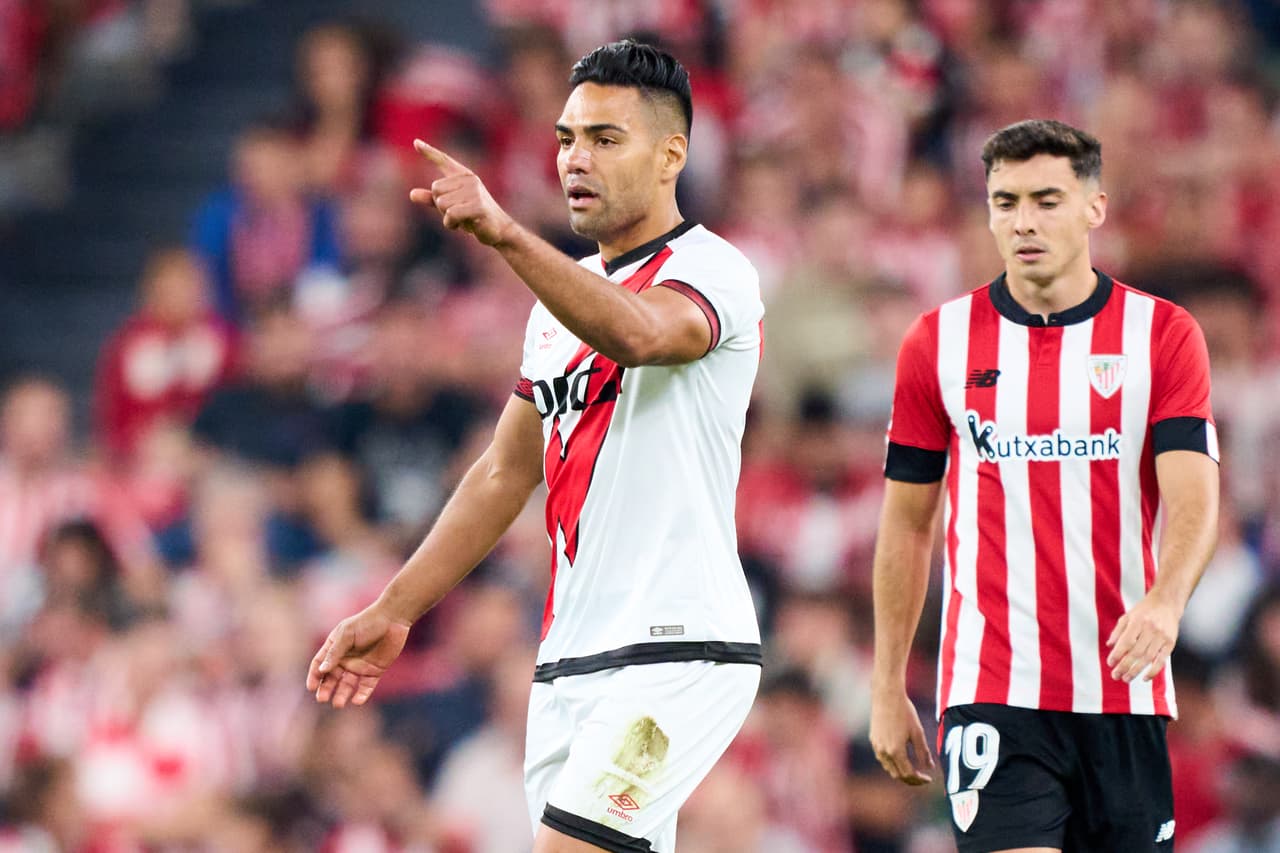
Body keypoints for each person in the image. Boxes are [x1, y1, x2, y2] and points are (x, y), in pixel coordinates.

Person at [306, 40, 765, 853]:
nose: (575, 160)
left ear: (672, 156)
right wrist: (395, 607)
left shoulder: (714, 268)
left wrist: (503, 234)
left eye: (604, 139)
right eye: (565, 139)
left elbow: (640, 332)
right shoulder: (557, 307)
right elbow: (503, 470)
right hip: (569, 660)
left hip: (677, 647)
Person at [868, 119, 1220, 852]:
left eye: (1047, 199)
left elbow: (1193, 493)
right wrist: (886, 681)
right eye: (1005, 201)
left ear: (1095, 207)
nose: (1023, 221)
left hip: (1123, 684)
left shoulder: (1161, 334)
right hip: (993, 685)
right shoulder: (937, 342)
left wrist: (1167, 599)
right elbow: (906, 522)